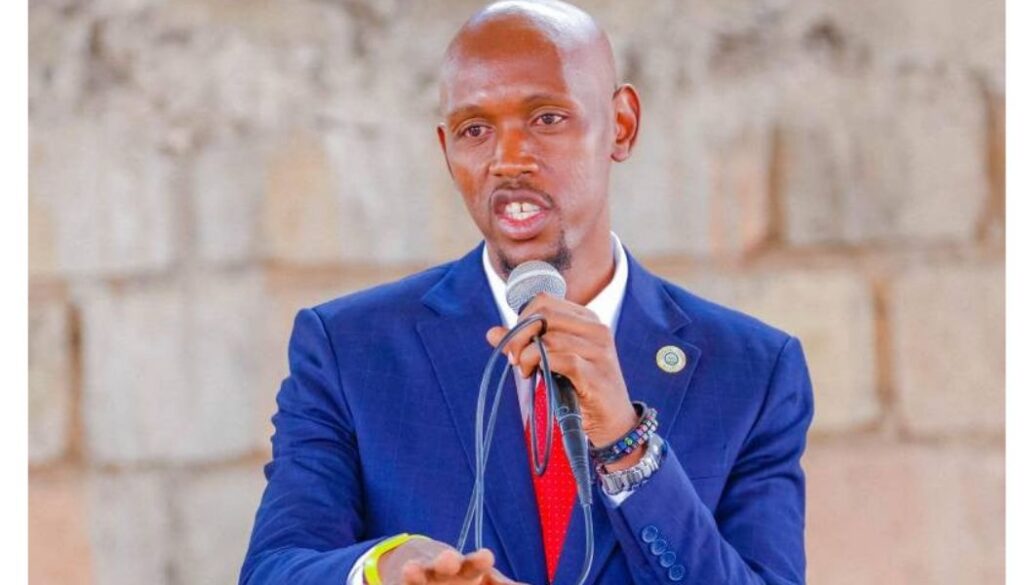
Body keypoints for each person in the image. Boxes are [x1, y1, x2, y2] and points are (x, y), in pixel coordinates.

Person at [240, 1, 814, 584]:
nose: (509, 160)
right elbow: (275, 569)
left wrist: (627, 445)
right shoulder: (349, 349)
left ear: (621, 125)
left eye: (547, 118)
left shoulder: (753, 370)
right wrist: (384, 566)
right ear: (447, 151)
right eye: (474, 130)